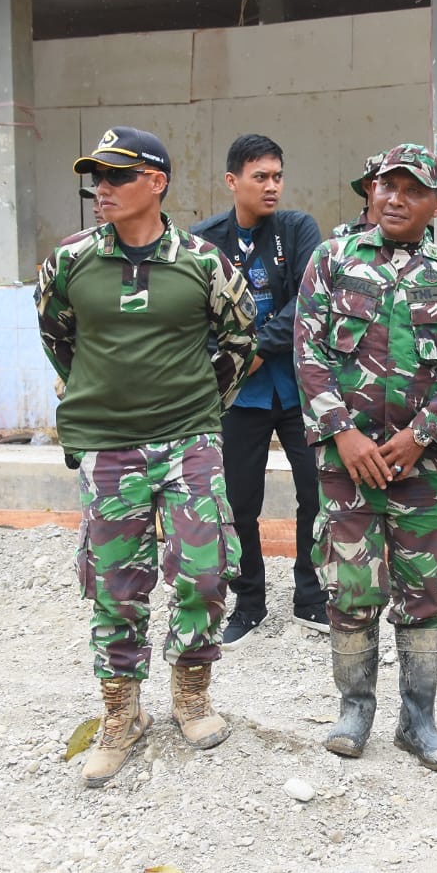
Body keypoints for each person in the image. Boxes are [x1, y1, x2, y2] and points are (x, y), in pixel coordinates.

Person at [35, 126, 257, 788]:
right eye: (95, 177)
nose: (100, 188)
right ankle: (122, 712)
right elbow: (57, 336)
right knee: (114, 580)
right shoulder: (69, 263)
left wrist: (199, 406)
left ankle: (191, 691)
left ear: (155, 182)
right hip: (110, 444)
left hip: (190, 438)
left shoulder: (203, 263)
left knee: (206, 568)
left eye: (116, 176)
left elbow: (240, 341)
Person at [294, 143, 437, 771]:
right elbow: (308, 352)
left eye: (411, 189)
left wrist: (423, 434)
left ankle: (418, 719)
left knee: (423, 588)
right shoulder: (331, 260)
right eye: (384, 186)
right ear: (369, 193)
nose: (394, 198)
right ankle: (355, 709)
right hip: (346, 465)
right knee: (350, 586)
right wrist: (343, 434)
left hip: (417, 468)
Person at [191, 134, 328, 645]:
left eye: (277, 176)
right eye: (260, 177)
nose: (272, 186)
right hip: (237, 396)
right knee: (239, 500)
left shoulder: (295, 230)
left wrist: (253, 353)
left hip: (298, 388)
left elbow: (305, 303)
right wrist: (229, 364)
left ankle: (310, 596)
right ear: (233, 181)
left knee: (314, 492)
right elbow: (196, 314)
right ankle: (249, 603)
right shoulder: (204, 241)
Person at [332, 151, 385, 239]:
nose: (395, 195)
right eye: (387, 184)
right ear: (368, 186)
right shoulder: (344, 234)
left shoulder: (411, 233)